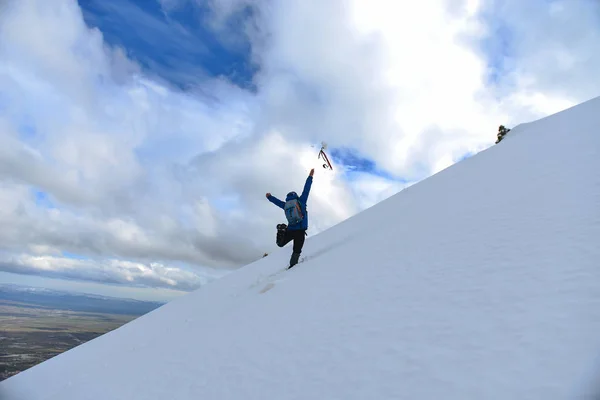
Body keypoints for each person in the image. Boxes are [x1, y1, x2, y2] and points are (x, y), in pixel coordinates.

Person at [266, 168, 314, 268]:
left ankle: (281, 231)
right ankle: (292, 267)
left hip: (290, 229)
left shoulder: (286, 205)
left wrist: (270, 197)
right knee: (297, 250)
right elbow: (306, 188)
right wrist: (310, 177)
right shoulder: (301, 201)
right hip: (300, 231)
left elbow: (277, 202)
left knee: (280, 244)